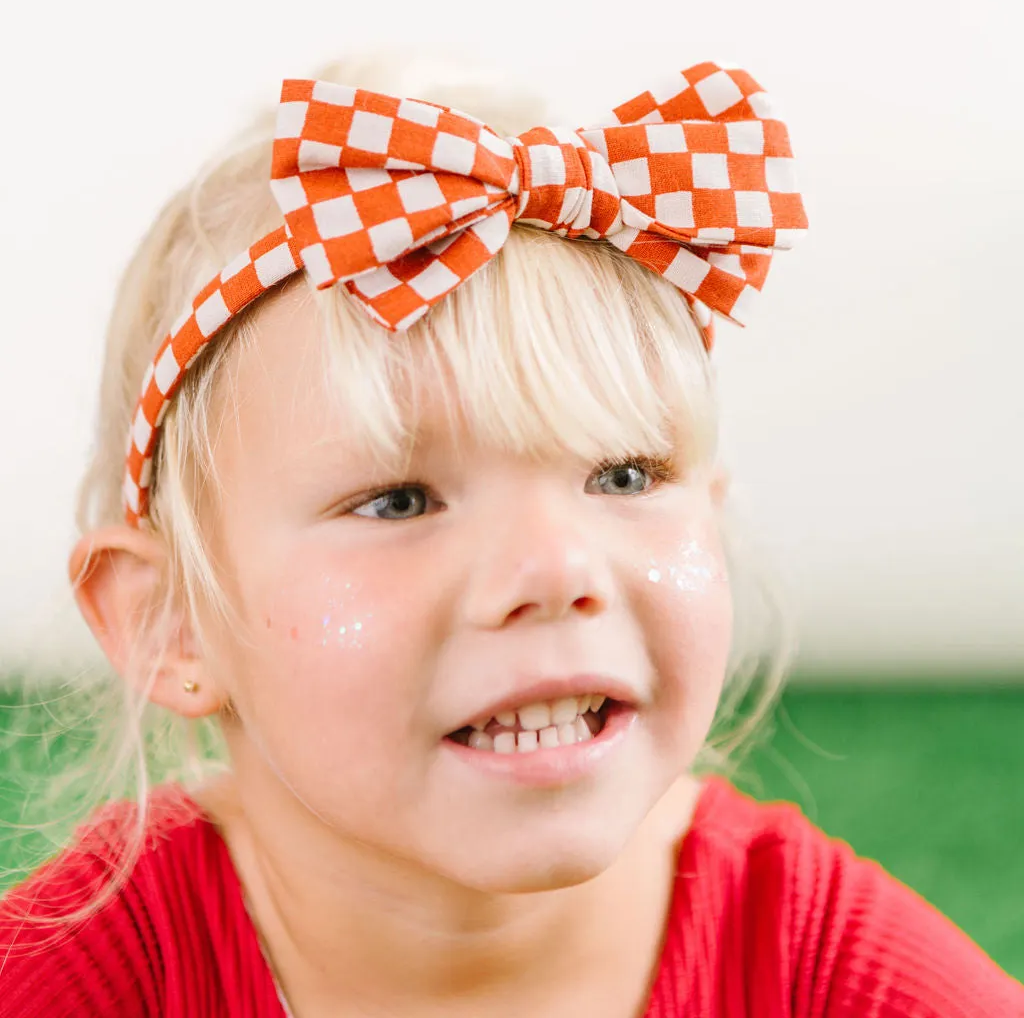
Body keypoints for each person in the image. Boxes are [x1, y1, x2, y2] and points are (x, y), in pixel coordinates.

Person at [0, 53, 1018, 1017]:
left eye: (624, 476)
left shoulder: (827, 966)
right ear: (170, 621)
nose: (556, 567)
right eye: (400, 500)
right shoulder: (76, 979)